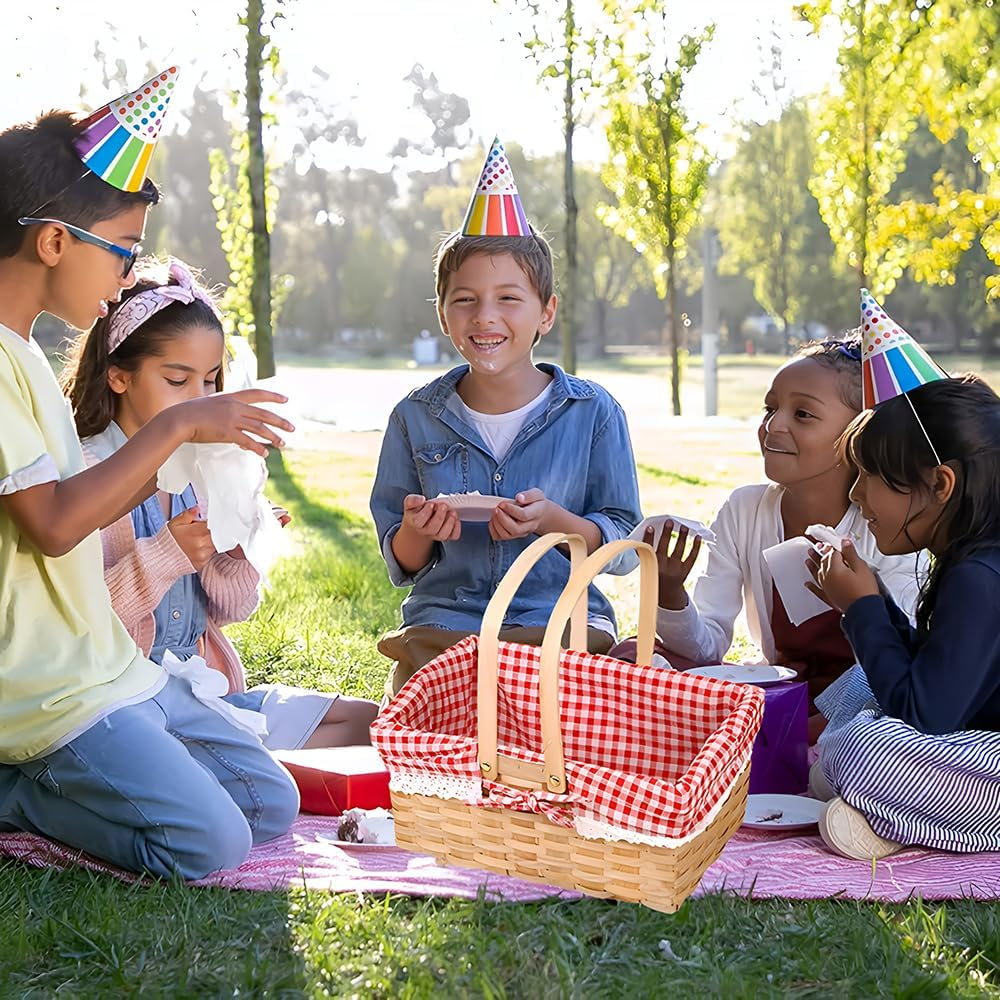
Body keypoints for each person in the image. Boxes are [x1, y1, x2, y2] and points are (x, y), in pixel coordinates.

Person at [0, 76, 299, 880]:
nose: (128, 270)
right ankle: (14, 796)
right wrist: (176, 426)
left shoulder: (25, 351)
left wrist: (210, 478)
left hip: (109, 664)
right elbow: (56, 524)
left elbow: (92, 497)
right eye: (122, 249)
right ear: (55, 242)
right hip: (42, 689)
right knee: (212, 845)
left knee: (270, 804)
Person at [63, 257, 379, 750]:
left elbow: (231, 611)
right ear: (119, 376)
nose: (200, 401)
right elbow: (82, 628)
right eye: (177, 380)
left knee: (369, 723)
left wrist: (235, 554)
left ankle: (229, 755)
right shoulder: (88, 471)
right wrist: (167, 556)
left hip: (206, 694)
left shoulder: (201, 469)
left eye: (209, 380)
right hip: (126, 707)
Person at [369, 138, 642, 698]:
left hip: (558, 616)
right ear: (443, 313)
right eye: (465, 299)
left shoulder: (593, 414)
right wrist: (419, 531)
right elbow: (402, 556)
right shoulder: (414, 419)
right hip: (447, 621)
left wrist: (553, 521)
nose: (485, 316)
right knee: (433, 701)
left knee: (553, 704)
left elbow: (618, 544)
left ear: (546, 312)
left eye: (508, 299)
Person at [627, 336, 926, 740]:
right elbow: (707, 649)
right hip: (775, 696)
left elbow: (898, 664)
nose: (774, 425)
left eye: (802, 414)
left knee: (871, 736)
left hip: (860, 710)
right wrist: (669, 591)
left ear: (861, 434)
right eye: (771, 408)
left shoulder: (887, 528)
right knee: (631, 654)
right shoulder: (744, 511)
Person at [809, 375, 1000, 859]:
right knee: (861, 685)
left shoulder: (980, 577)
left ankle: (894, 814)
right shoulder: (971, 560)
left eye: (869, 474)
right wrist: (874, 600)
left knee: (863, 752)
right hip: (968, 739)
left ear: (939, 483)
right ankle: (892, 813)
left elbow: (924, 716)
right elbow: (939, 679)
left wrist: (861, 608)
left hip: (985, 763)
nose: (855, 494)